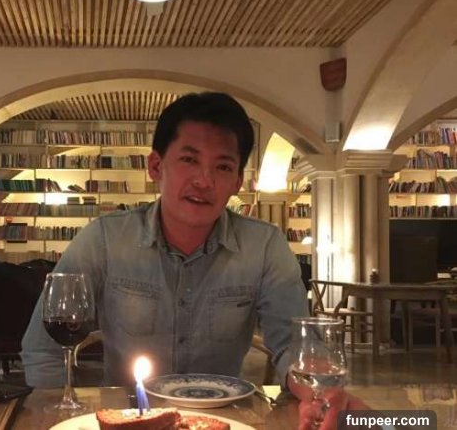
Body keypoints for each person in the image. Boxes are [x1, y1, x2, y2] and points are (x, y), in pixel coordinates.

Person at [21, 92, 364, 428]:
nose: (204, 181)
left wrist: (318, 391)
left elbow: (293, 344)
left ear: (237, 182)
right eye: (189, 160)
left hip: (225, 420)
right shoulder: (104, 239)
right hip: (129, 421)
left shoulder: (264, 246)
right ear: (156, 166)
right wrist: (58, 414)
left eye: (223, 166)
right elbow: (42, 348)